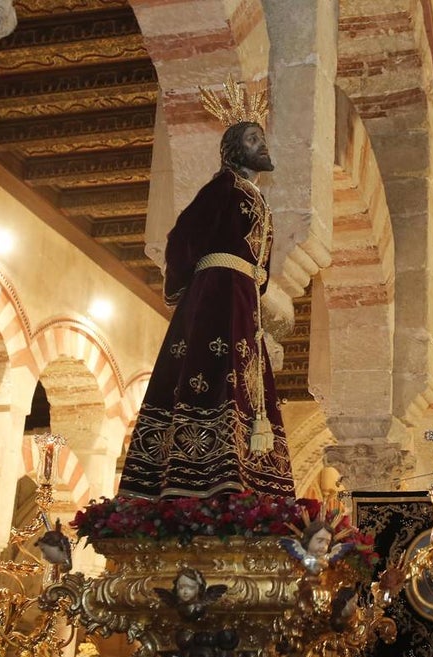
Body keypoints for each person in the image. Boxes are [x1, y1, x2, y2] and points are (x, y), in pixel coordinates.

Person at [119, 82, 294, 501]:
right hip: (218, 293)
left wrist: (255, 285)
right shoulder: (224, 188)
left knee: (246, 381)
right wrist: (190, 287)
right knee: (212, 371)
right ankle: (201, 470)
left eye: (262, 138)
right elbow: (184, 234)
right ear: (235, 151)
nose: (262, 145)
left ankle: (245, 471)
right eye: (253, 139)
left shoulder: (255, 196)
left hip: (242, 298)